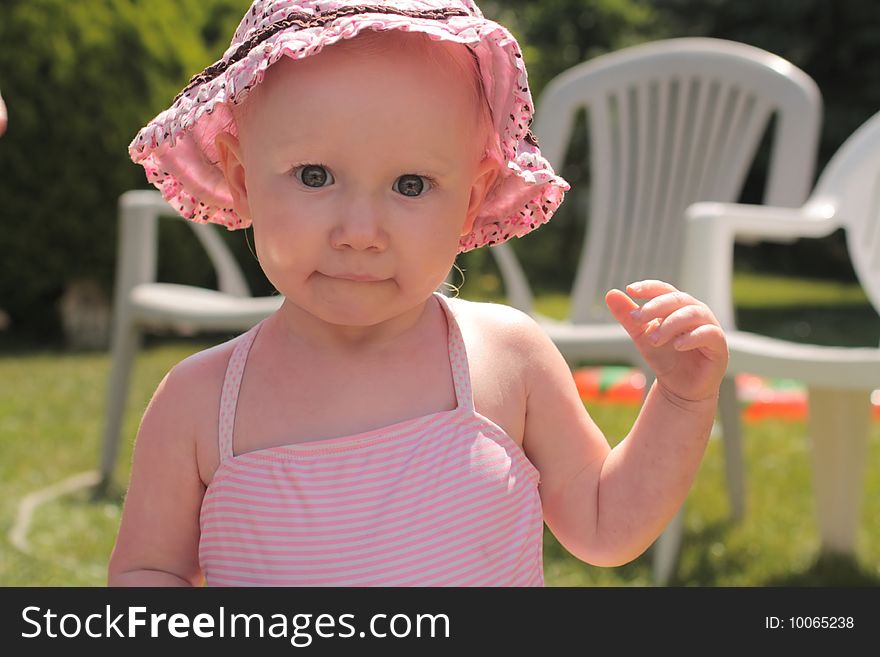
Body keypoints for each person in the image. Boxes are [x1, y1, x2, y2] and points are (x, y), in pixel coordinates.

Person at [108, 0, 728, 587]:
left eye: (411, 184)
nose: (359, 233)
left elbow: (604, 524)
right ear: (242, 181)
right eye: (315, 176)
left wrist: (680, 399)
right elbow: (149, 569)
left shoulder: (508, 361)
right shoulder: (199, 403)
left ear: (472, 199)